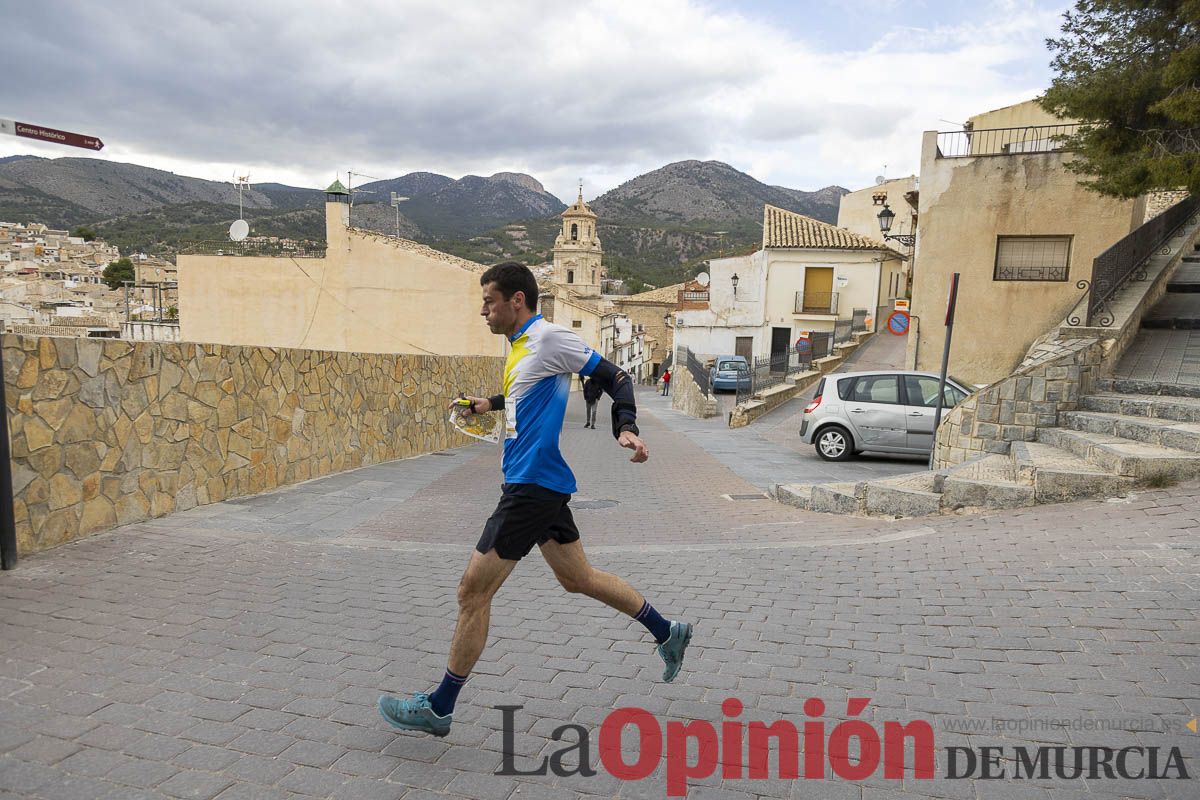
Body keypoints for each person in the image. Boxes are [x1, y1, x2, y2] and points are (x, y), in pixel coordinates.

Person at [378, 262, 693, 738]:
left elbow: (618, 377)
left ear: (516, 301)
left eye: (489, 300)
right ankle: (666, 631)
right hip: (539, 485)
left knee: (472, 592)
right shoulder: (522, 348)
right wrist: (488, 404)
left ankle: (440, 706)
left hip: (530, 489)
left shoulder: (548, 338)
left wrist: (625, 426)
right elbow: (526, 391)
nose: (482, 309)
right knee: (578, 578)